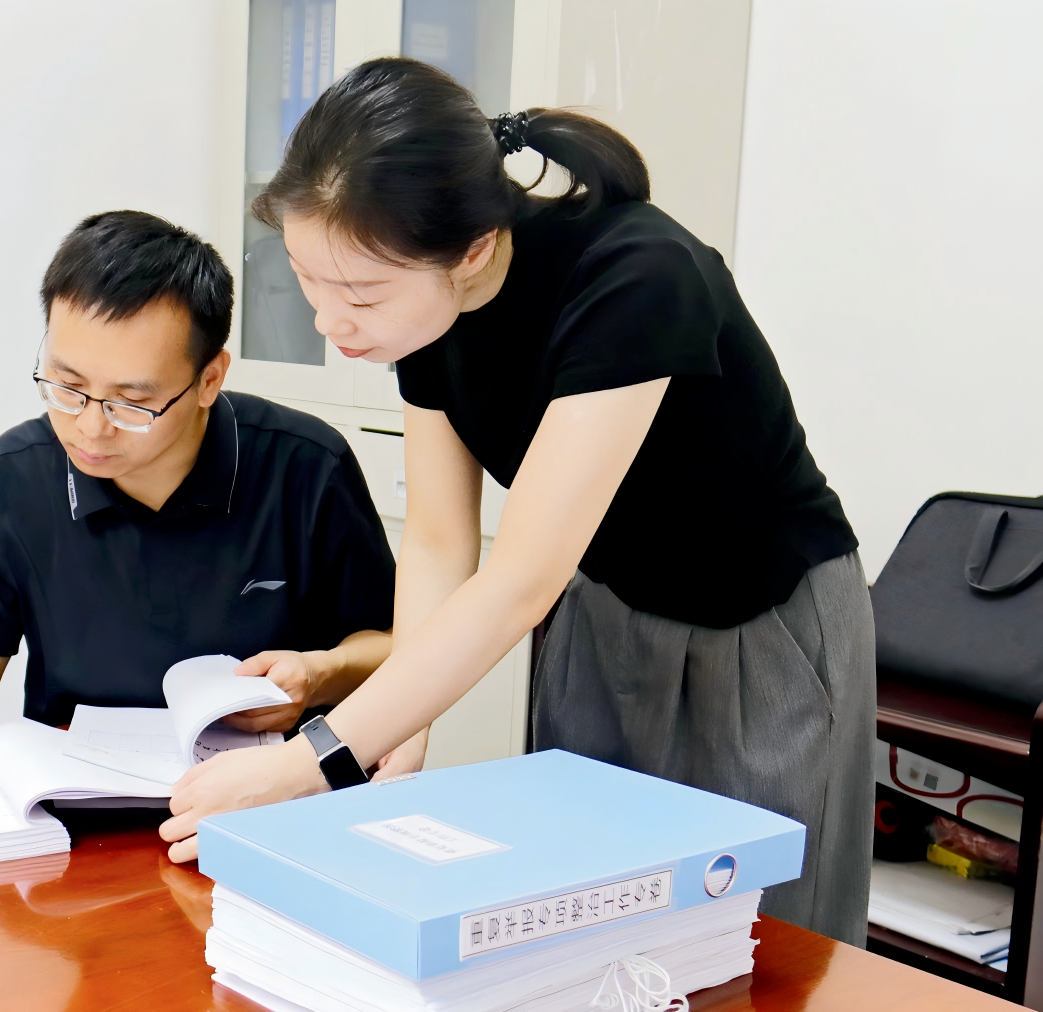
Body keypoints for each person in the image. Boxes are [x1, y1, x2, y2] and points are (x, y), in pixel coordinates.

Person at [160, 59, 873, 946]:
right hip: (606, 617)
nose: (328, 322)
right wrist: (401, 720)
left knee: (767, 933)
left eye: (360, 293)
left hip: (763, 621)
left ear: (470, 250)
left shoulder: (637, 276)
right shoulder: (427, 315)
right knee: (585, 913)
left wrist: (312, 760)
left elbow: (520, 577)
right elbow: (436, 538)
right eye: (308, 278)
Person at [0, 211, 404, 779]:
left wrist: (320, 674)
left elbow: (398, 645)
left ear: (209, 380)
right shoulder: (11, 477)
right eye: (68, 386)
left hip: (269, 788)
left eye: (131, 403)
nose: (90, 428)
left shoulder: (307, 466)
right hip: (76, 797)